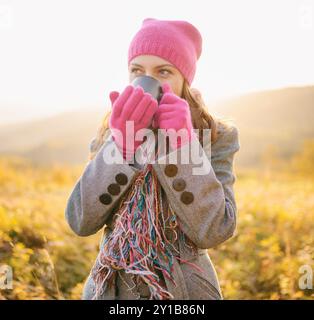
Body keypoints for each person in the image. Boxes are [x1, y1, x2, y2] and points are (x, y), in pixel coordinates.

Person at [65, 18, 240, 300]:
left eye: (163, 71)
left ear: (184, 79)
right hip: (112, 291)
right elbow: (80, 220)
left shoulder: (215, 135)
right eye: (137, 70)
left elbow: (215, 229)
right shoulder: (112, 130)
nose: (148, 81)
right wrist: (121, 146)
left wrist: (183, 147)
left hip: (185, 294)